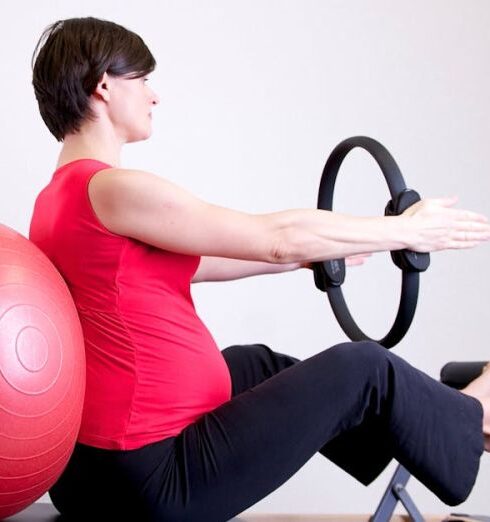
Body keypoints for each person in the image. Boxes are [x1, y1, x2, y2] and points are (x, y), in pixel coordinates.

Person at [29, 16, 490, 522]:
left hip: (94, 473)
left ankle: (423, 429)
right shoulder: (114, 189)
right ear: (103, 87)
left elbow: (199, 261)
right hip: (150, 480)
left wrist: (306, 257)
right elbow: (274, 237)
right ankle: (476, 417)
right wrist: (409, 232)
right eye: (142, 80)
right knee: (360, 366)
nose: (153, 96)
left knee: (253, 363)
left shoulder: (59, 198)